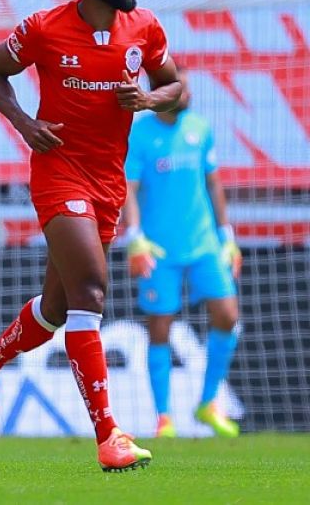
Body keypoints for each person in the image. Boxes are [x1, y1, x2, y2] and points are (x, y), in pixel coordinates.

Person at [0, 0, 183, 472]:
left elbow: (175, 87)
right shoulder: (44, 27)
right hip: (58, 171)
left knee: (57, 310)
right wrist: (25, 124)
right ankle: (109, 436)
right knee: (92, 290)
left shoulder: (145, 27)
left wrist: (149, 99)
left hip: (109, 180)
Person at [122, 66, 242, 439]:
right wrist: (135, 237)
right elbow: (128, 188)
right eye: (182, 88)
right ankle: (163, 418)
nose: (188, 94)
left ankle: (208, 403)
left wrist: (227, 235)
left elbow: (213, 182)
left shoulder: (200, 128)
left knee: (227, 316)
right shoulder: (140, 134)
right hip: (159, 249)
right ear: (162, 92)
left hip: (204, 243)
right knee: (160, 329)